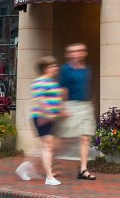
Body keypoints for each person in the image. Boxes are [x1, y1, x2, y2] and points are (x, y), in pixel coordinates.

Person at [15, 56, 64, 186]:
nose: (56, 68)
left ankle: (24, 167)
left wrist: (60, 111)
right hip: (42, 117)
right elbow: (40, 99)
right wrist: (48, 113)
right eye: (53, 66)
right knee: (47, 146)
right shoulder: (39, 82)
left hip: (50, 118)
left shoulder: (53, 83)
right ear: (47, 68)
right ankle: (49, 177)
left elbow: (56, 101)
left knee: (44, 146)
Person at [58, 43, 97, 180]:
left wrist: (93, 100)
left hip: (86, 106)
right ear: (69, 55)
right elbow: (63, 89)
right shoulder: (65, 70)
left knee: (85, 138)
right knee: (64, 139)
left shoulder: (87, 69)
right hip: (71, 105)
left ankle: (83, 169)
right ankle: (52, 163)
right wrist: (62, 107)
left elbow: (89, 86)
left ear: (84, 53)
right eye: (74, 51)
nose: (77, 53)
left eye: (80, 51)